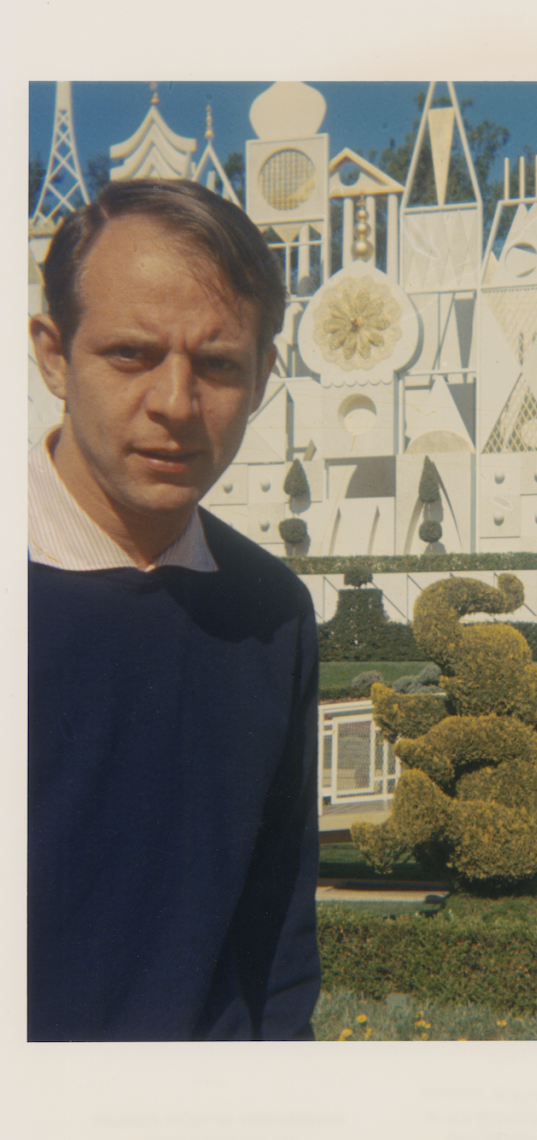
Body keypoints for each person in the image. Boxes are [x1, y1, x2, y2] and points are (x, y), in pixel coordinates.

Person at [27, 179, 321, 1041]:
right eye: (130, 354)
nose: (175, 404)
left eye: (219, 364)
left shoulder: (269, 612)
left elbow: (277, 937)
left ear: (265, 374)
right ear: (53, 354)